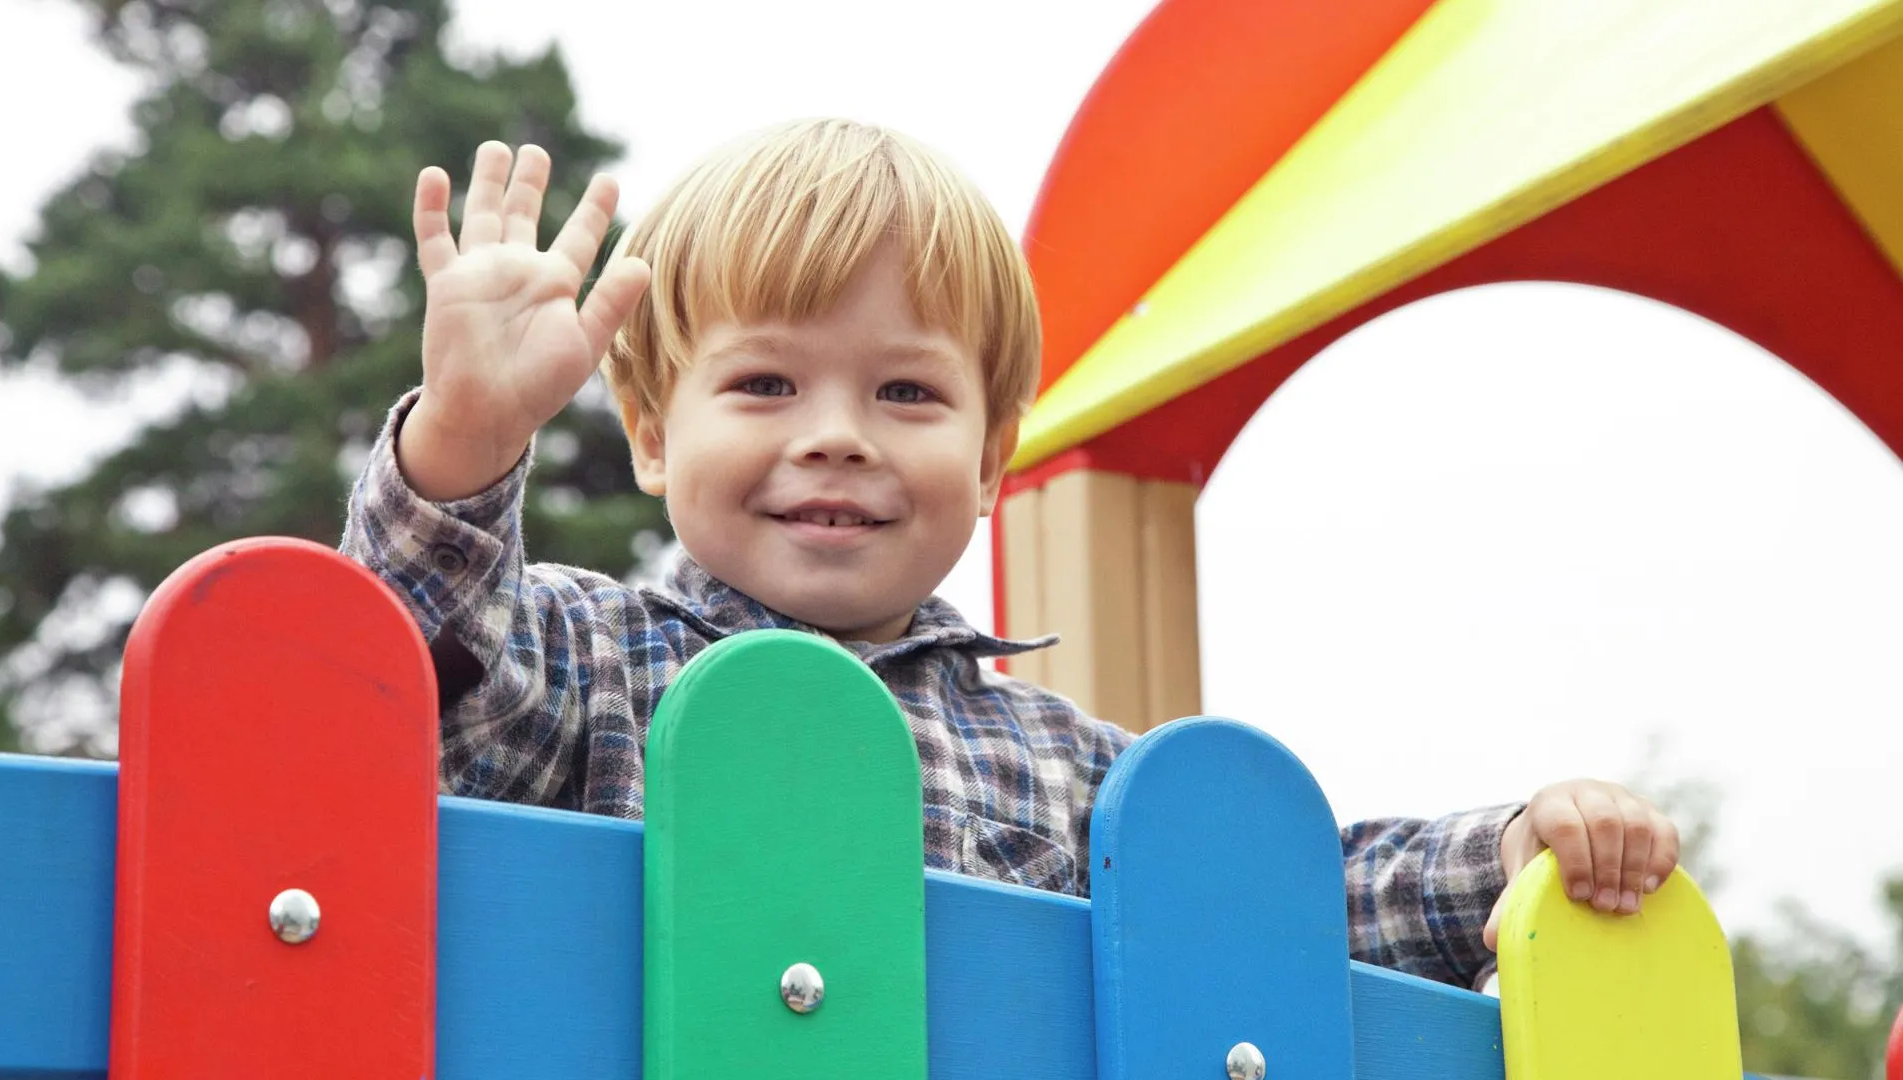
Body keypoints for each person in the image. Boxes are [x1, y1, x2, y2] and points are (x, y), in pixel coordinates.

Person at [339, 119, 1680, 990]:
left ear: (990, 461)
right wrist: (465, 435)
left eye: (907, 396)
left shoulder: (1064, 765)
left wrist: (1510, 847)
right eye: (763, 386)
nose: (838, 438)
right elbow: (414, 679)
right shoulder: (594, 661)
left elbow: (1276, 903)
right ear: (647, 430)